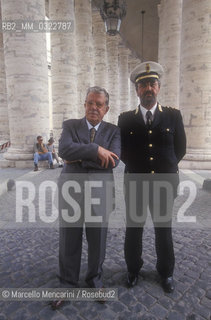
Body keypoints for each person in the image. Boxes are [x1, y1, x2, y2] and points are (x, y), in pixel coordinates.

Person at [118, 61, 186, 293]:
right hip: (135, 182)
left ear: (158, 87)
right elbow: (122, 150)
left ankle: (166, 272)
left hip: (164, 184)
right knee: (134, 229)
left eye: (152, 84)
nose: (148, 88)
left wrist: (165, 170)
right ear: (137, 90)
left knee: (163, 229)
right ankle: (133, 269)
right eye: (143, 85)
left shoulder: (173, 116)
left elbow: (180, 149)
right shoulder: (125, 118)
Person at [52, 86, 121, 309]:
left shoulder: (113, 131)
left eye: (98, 104)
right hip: (71, 192)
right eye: (90, 103)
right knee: (68, 240)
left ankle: (95, 281)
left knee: (97, 241)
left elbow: (113, 161)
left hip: (100, 193)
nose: (93, 108)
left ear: (106, 109)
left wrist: (78, 156)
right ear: (84, 104)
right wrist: (95, 151)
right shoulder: (70, 125)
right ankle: (66, 283)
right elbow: (64, 150)